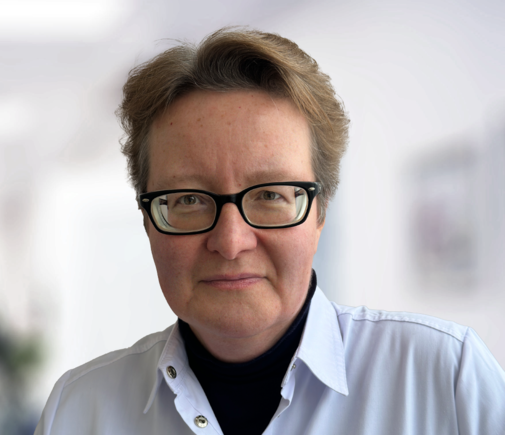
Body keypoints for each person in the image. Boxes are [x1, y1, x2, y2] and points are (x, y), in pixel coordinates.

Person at [35, 28, 505, 435]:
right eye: (189, 200)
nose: (231, 242)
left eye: (270, 195)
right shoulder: (77, 411)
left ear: (320, 210)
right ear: (147, 221)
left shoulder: (446, 381)